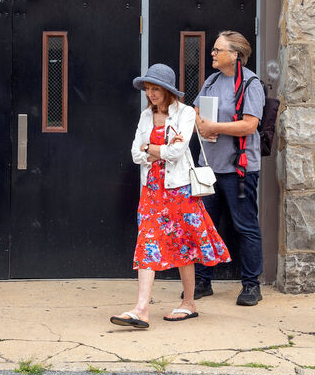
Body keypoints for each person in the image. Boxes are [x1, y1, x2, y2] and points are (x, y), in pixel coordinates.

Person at [110, 64, 230, 330]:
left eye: (156, 89)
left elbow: (176, 154)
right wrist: (156, 150)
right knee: (147, 243)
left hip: (180, 190)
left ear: (168, 91)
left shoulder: (185, 113)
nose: (151, 94)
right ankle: (141, 309)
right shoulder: (145, 117)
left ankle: (189, 303)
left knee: (184, 244)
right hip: (152, 190)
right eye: (148, 89)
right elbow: (135, 154)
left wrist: (150, 149)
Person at [192, 31, 265, 306]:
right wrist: (200, 122)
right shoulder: (211, 81)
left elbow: (249, 125)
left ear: (235, 54)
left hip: (239, 170)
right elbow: (197, 110)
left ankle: (251, 285)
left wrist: (215, 128)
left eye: (217, 49)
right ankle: (202, 281)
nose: (212, 53)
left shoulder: (250, 84)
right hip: (208, 168)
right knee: (205, 226)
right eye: (213, 49)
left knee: (245, 227)